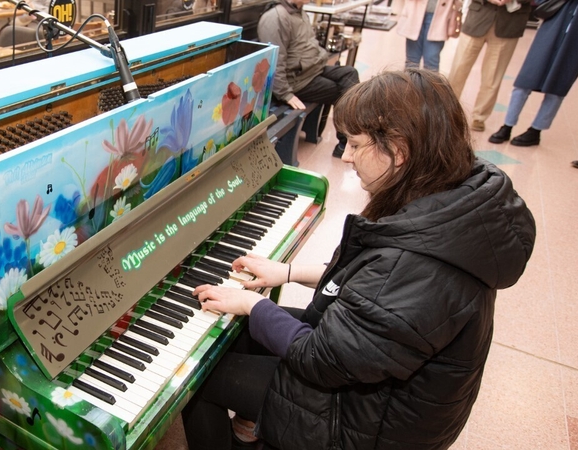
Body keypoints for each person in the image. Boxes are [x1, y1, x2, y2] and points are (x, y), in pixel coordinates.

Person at [181, 68, 536, 450]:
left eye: (354, 144)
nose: (346, 157)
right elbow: (370, 290)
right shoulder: (452, 197)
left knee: (198, 382)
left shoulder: (417, 266)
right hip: (372, 376)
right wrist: (286, 272)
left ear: (399, 150)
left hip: (367, 424)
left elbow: (321, 357)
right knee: (242, 329)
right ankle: (252, 425)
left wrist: (253, 304)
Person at [488, 0, 578, 146]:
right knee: (525, 80)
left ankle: (535, 131)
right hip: (551, 29)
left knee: (558, 86)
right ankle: (507, 125)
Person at [257, 0, 360, 158]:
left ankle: (352, 137)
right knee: (341, 92)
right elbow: (273, 61)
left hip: (313, 69)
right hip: (296, 80)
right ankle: (347, 143)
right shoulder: (275, 17)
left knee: (350, 73)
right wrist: (285, 94)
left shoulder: (299, 12)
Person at [446, 0, 532, 132]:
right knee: (458, 69)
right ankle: (446, 110)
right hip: (477, 17)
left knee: (493, 76)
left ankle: (479, 117)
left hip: (509, 23)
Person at [396, 0, 462, 72]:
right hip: (415, 12)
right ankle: (409, 82)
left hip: (441, 16)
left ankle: (430, 83)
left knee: (431, 60)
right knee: (412, 61)